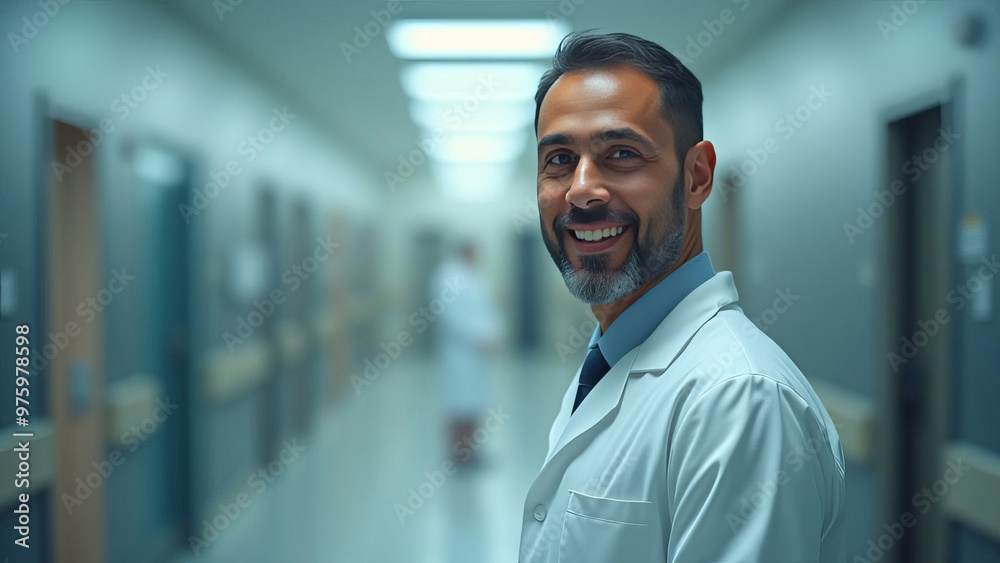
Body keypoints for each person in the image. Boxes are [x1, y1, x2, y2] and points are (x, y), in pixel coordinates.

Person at [518, 32, 846, 562]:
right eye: (559, 158)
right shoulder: (611, 358)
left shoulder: (739, 401)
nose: (581, 189)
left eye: (620, 154)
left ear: (697, 177)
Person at [431, 242, 502, 467]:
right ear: (466, 253)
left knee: (474, 403)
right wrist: (479, 337)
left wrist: (492, 334)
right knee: (459, 404)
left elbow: (486, 309)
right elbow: (452, 315)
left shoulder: (473, 276)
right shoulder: (447, 276)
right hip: (460, 353)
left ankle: (472, 452)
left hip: (477, 354)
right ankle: (458, 456)